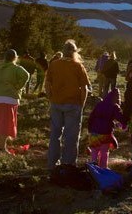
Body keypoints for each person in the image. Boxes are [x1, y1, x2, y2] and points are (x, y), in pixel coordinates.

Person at [45, 40, 91, 170]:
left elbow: (47, 84)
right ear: (74, 52)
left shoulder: (54, 65)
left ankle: (52, 164)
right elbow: (84, 88)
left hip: (56, 103)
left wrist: (51, 99)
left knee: (55, 134)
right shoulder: (78, 66)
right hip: (73, 104)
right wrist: (81, 104)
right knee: (71, 135)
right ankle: (68, 164)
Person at [0, 49, 29, 154]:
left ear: (5, 57)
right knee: (6, 123)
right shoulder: (16, 68)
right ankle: (2, 147)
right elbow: (27, 76)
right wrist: (17, 86)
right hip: (9, 98)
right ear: (15, 58)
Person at [88, 88, 127, 168]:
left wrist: (90, 129)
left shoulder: (99, 104)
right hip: (105, 133)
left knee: (94, 151)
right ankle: (103, 168)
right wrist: (125, 123)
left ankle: (93, 168)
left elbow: (91, 117)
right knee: (104, 152)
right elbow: (120, 118)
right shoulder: (114, 106)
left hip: (94, 133)